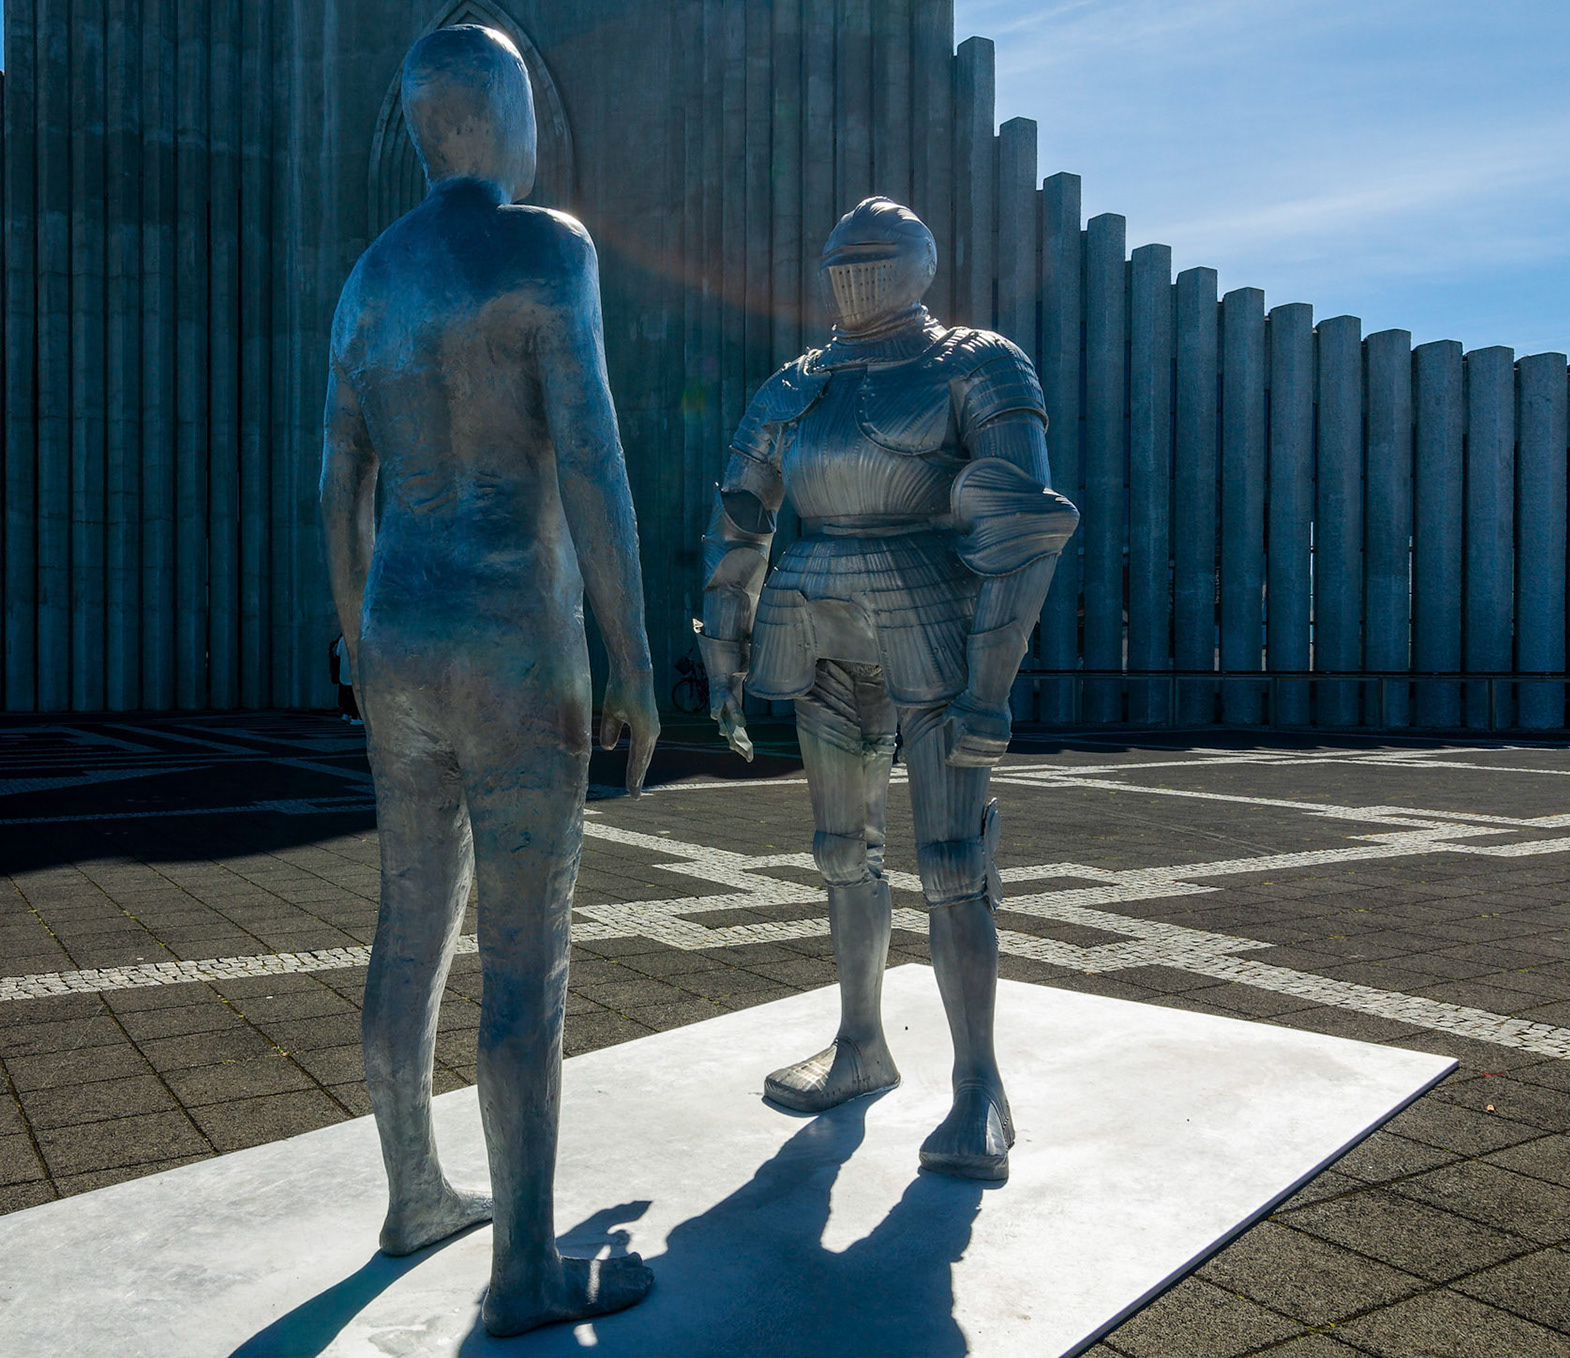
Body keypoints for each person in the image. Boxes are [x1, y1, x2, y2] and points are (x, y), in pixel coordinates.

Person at [319, 24, 658, 1337]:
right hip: (516, 629)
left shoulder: (366, 284)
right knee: (528, 950)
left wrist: (359, 644)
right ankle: (524, 1270)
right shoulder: (546, 247)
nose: (533, 135)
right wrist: (633, 655)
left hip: (400, 633)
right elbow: (593, 456)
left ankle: (414, 1193)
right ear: (477, 123)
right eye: (519, 109)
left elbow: (336, 486)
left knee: (409, 919)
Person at [696, 196, 1078, 1181]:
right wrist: (725, 635)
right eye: (841, 260)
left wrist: (992, 681)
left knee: (952, 857)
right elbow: (743, 514)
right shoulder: (796, 382)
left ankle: (979, 1082)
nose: (856, 276)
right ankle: (861, 1040)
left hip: (935, 620)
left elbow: (1020, 525)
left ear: (920, 264)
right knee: (840, 848)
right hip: (815, 615)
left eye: (876, 258)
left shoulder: (979, 361)